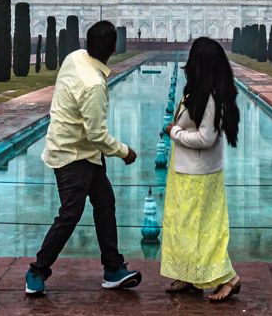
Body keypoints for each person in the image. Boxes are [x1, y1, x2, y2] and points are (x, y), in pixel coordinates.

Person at [26, 20, 141, 297]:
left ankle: (113, 268)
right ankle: (37, 271)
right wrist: (125, 152)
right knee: (70, 214)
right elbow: (96, 135)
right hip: (71, 154)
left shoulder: (75, 57)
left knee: (105, 204)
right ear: (114, 47)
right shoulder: (93, 86)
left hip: (80, 150)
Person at [161, 37, 242, 302]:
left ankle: (229, 278)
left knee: (203, 230)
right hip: (187, 171)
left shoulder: (210, 98)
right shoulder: (200, 90)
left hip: (199, 175)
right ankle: (190, 276)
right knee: (184, 226)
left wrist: (175, 133)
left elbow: (206, 139)